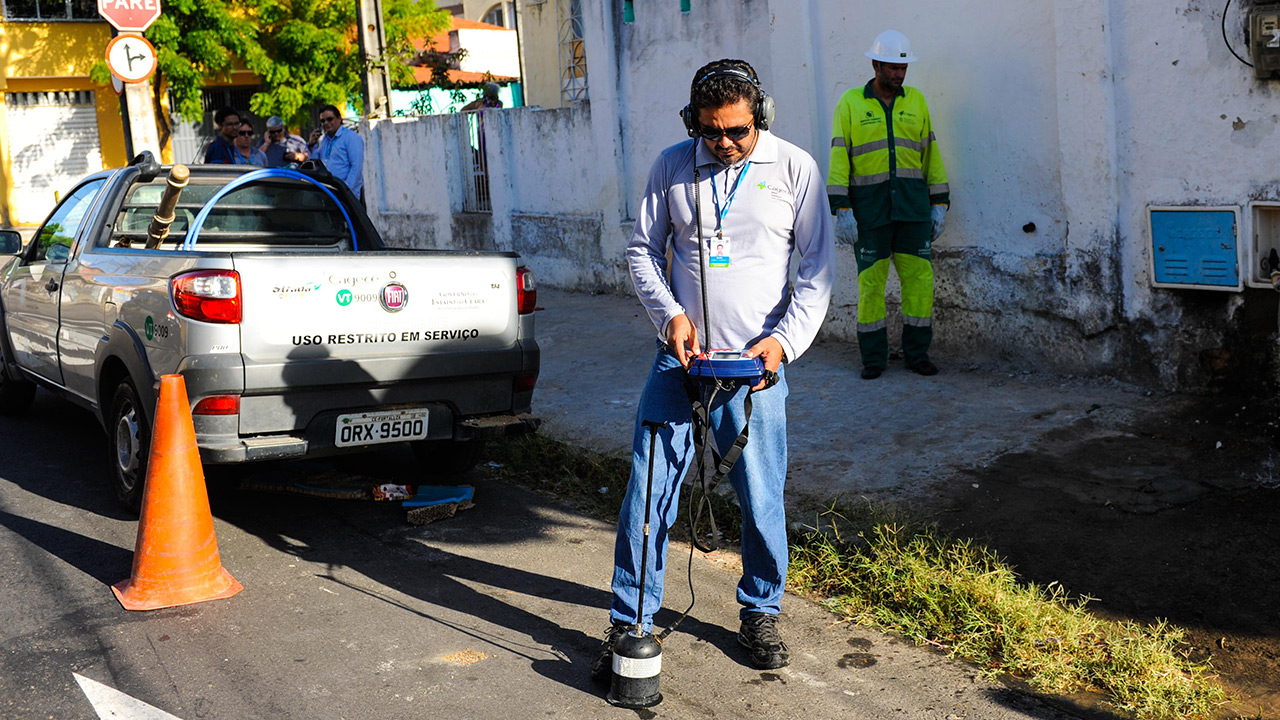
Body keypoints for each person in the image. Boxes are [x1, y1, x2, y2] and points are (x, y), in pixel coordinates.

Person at [592, 59, 834, 683]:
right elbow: (643, 250)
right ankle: (632, 619)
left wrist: (784, 342)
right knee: (648, 492)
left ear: (762, 117)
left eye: (737, 131)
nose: (723, 143)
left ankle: (761, 610)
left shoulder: (795, 169)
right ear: (692, 123)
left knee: (760, 499)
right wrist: (669, 315)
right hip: (678, 362)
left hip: (755, 371)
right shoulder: (672, 166)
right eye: (710, 132)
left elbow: (816, 268)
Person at [827, 30, 950, 380]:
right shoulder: (851, 103)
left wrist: (939, 202)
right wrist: (842, 209)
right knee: (870, 287)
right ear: (876, 64)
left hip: (912, 211)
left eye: (903, 68)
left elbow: (931, 155)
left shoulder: (917, 102)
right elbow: (840, 158)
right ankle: (873, 359)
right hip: (870, 213)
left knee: (919, 283)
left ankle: (917, 354)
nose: (898, 74)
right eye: (893, 67)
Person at [309, 104, 365, 200]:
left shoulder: (351, 137)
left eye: (330, 119)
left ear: (339, 119)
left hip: (346, 195)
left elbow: (356, 167)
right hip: (328, 193)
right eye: (323, 121)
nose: (326, 123)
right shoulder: (324, 140)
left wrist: (346, 190)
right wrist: (311, 145)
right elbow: (317, 164)